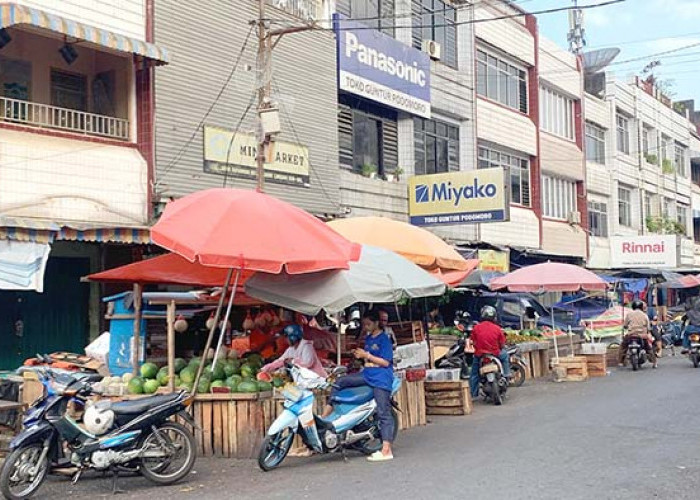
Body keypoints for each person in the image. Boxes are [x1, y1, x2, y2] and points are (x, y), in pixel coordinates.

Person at [323, 311, 395, 462]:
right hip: (367, 374)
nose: (366, 327)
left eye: (369, 324)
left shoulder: (384, 339)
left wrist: (366, 356)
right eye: (365, 324)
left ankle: (387, 449)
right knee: (340, 381)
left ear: (376, 323)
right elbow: (367, 359)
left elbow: (386, 362)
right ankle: (326, 417)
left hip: (381, 378)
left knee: (384, 412)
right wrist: (359, 356)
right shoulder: (368, 338)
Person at [469, 305, 511, 399]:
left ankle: (473, 394)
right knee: (505, 356)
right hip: (495, 353)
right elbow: (502, 344)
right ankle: (506, 375)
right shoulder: (497, 329)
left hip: (480, 355)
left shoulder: (476, 328)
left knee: (474, 374)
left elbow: (473, 341)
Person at [259, 324, 326, 378]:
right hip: (305, 380)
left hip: (317, 379)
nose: (285, 340)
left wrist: (293, 361)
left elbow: (308, 364)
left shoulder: (307, 346)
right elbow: (281, 360)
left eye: (286, 337)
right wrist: (265, 368)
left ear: (293, 337)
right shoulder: (291, 349)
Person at [619, 300, 657, 368]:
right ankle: (654, 362)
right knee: (648, 348)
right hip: (642, 335)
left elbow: (625, 325)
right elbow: (648, 327)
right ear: (641, 307)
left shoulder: (629, 314)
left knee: (623, 346)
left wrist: (627, 327)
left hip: (631, 335)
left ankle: (621, 362)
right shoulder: (645, 315)